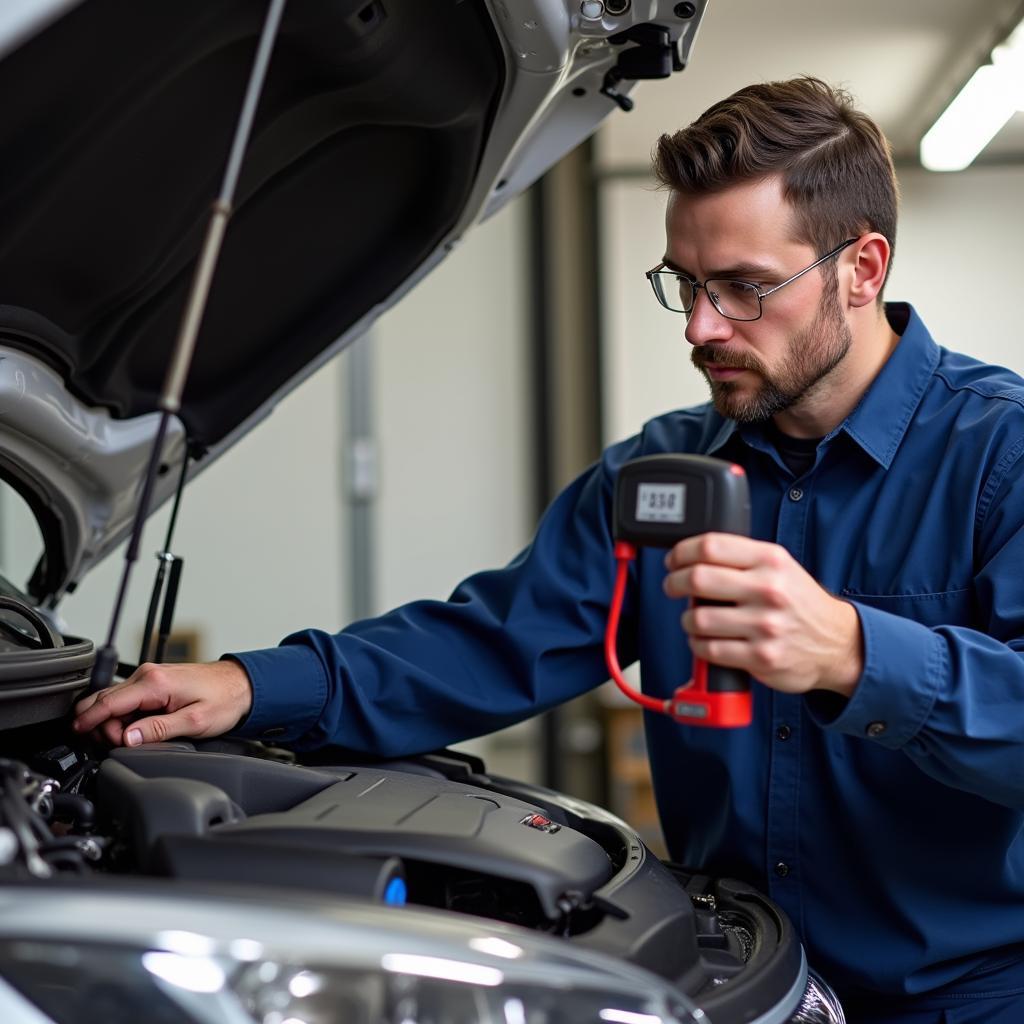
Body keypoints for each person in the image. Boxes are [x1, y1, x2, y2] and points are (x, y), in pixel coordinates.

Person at [73, 77, 1024, 1022]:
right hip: (745, 985)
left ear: (862, 269)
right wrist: (253, 686)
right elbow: (490, 641)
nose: (700, 327)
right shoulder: (661, 472)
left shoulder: (1001, 458)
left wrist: (855, 655)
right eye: (685, 285)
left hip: (970, 1002)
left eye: (743, 287)